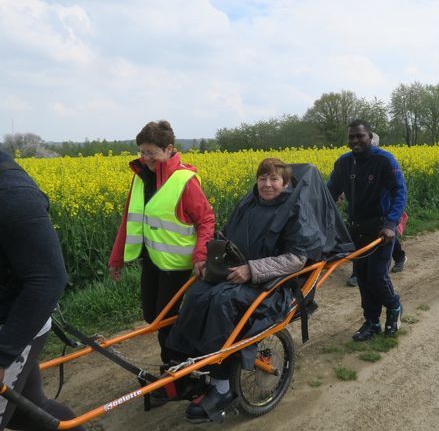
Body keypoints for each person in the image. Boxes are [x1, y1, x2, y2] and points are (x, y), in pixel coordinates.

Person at [165, 158, 352, 423]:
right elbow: (226, 238)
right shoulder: (247, 204)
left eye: (274, 180)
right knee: (196, 294)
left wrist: (252, 270)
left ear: (286, 183)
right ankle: (188, 366)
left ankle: (222, 386)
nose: (267, 184)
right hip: (238, 274)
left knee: (222, 303)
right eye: (263, 179)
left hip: (273, 284)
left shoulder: (295, 210)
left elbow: (297, 259)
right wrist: (209, 260)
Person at [108, 120, 215, 364]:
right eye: (142, 151)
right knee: (152, 316)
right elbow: (129, 220)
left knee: (166, 322)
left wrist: (201, 257)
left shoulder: (184, 180)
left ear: (169, 149)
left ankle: (175, 373)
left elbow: (206, 220)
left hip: (177, 265)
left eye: (151, 152)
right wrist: (117, 259)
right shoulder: (139, 178)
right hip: (153, 260)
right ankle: (184, 360)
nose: (146, 157)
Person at [0, 150, 86, 431]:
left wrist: (3, 355)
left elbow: (48, 278)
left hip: (10, 325)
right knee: (32, 411)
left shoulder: (12, 193)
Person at [327, 119, 407, 341]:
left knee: (377, 276)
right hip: (356, 229)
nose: (355, 141)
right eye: (351, 137)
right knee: (362, 277)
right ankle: (371, 321)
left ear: (370, 137)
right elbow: (329, 193)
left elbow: (399, 192)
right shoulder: (343, 163)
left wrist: (391, 224)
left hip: (381, 229)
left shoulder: (384, 160)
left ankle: (394, 307)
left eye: (360, 136)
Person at [345, 132, 408, 283]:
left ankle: (400, 257)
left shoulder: (383, 160)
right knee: (359, 241)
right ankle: (357, 273)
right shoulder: (352, 161)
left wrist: (392, 219)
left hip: (383, 212)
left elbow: (399, 190)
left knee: (387, 238)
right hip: (360, 215)